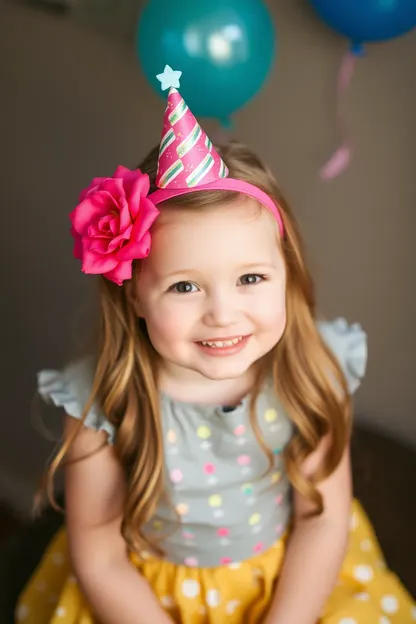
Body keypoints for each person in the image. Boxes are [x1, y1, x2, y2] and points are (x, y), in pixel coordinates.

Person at [16, 67, 415, 624]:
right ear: (133, 296)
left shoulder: (314, 371)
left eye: (250, 278)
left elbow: (322, 520)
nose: (223, 314)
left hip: (290, 586)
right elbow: (101, 555)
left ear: (286, 273)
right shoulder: (100, 402)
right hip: (144, 598)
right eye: (184, 286)